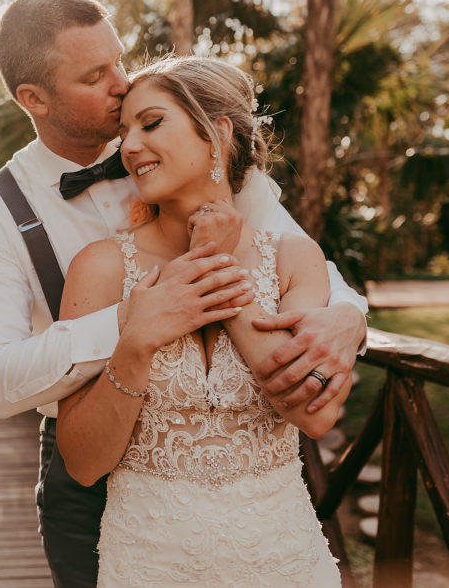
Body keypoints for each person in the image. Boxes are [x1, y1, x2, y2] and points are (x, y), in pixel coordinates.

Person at [0, 0, 367, 587]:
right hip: (94, 480)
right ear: (33, 98)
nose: (121, 84)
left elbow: (305, 267)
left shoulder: (192, 151)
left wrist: (351, 318)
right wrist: (135, 319)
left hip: (259, 510)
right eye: (96, 75)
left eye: (119, 61)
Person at [57, 55, 345, 586]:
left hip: (282, 560)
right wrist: (137, 340)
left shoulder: (293, 259)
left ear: (216, 133)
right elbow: (82, 463)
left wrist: (216, 267)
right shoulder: (99, 267)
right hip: (148, 563)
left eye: (151, 122)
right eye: (124, 132)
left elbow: (314, 415)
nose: (129, 147)